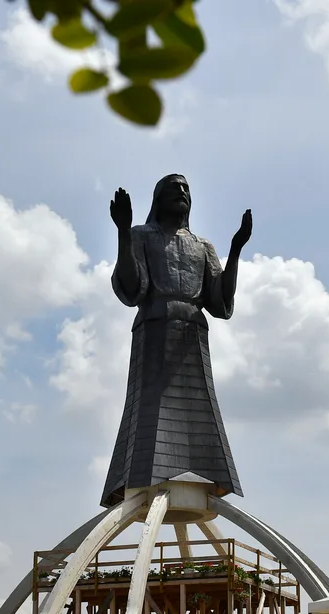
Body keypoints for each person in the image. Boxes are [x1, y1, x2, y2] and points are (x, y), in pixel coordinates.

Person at [101, 175, 252, 508]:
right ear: (158, 199)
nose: (182, 193)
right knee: (148, 410)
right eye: (174, 188)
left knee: (200, 410)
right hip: (154, 327)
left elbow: (220, 301)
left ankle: (204, 469)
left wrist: (236, 248)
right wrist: (123, 231)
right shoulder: (141, 235)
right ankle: (141, 477)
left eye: (186, 189)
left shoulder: (203, 246)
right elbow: (131, 288)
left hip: (192, 333)